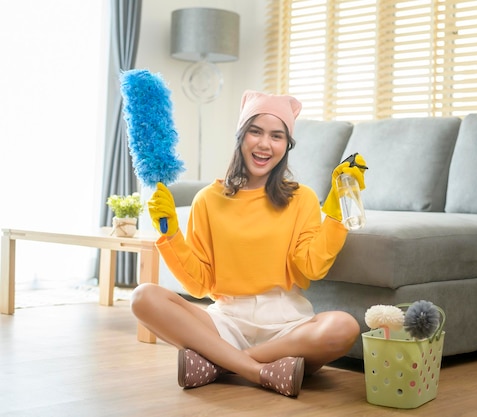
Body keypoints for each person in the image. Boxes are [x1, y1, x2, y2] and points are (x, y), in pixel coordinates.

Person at [130, 90, 368, 398]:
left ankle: (220, 364)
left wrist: (336, 213)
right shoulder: (208, 200)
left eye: (277, 136)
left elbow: (311, 267)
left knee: (344, 327)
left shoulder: (302, 198)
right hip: (226, 321)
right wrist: (170, 234)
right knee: (142, 297)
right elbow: (200, 284)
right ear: (241, 137)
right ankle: (260, 371)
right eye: (255, 131)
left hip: (287, 326)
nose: (265, 144)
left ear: (287, 145)